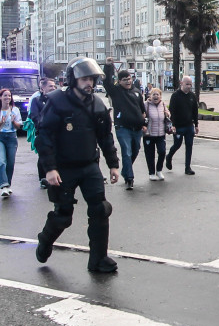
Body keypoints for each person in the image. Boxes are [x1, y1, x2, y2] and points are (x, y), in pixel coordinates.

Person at [34, 58, 121, 273]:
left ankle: (98, 260)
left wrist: (113, 164)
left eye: (91, 78)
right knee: (63, 216)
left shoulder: (98, 104)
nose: (88, 83)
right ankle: (45, 240)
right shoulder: (56, 102)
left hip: (89, 165)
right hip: (63, 168)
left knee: (100, 210)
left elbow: (105, 137)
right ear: (73, 79)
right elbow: (43, 137)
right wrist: (50, 168)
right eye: (84, 78)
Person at [103, 58, 147, 190]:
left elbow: (142, 110)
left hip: (137, 128)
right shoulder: (116, 91)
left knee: (135, 150)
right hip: (123, 128)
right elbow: (107, 82)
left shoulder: (137, 92)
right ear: (119, 81)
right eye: (124, 80)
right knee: (126, 152)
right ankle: (129, 178)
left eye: (129, 79)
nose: (128, 81)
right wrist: (109, 66)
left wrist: (144, 123)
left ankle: (125, 171)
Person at [0, 88, 22, 197]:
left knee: (10, 162)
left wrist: (13, 122)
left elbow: (19, 126)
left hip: (11, 137)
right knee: (1, 161)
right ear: (0, 97)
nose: (7, 98)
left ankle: (8, 185)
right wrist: (0, 122)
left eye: (9, 96)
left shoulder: (15, 110)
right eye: (5, 96)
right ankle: (3, 185)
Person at [29, 77, 58, 189]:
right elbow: (34, 116)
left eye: (54, 86)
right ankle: (43, 178)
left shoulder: (57, 100)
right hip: (43, 133)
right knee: (44, 154)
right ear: (43, 88)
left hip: (56, 133)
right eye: (50, 86)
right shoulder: (36, 100)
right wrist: (42, 125)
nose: (53, 88)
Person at [166, 76, 198, 175]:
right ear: (181, 83)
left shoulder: (192, 96)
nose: (188, 86)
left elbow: (195, 111)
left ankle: (187, 167)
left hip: (189, 125)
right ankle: (169, 156)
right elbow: (172, 111)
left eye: (190, 84)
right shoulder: (175, 96)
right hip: (179, 126)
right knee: (177, 144)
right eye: (187, 84)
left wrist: (196, 124)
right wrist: (173, 125)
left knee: (189, 145)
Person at [143, 88, 171, 181]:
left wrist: (167, 113)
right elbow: (140, 115)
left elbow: (168, 114)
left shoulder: (162, 104)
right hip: (149, 134)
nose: (156, 96)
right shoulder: (145, 105)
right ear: (150, 96)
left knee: (162, 152)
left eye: (157, 95)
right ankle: (151, 173)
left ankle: (159, 170)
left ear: (160, 96)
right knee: (150, 155)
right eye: (153, 95)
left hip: (161, 133)